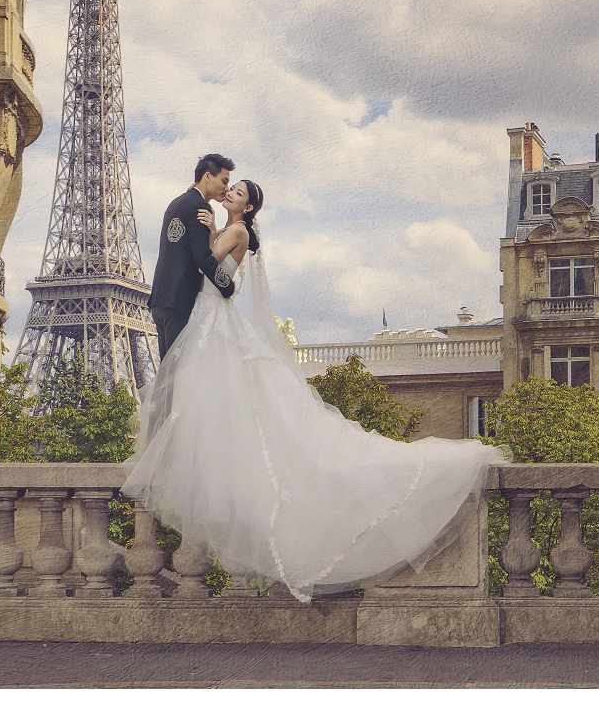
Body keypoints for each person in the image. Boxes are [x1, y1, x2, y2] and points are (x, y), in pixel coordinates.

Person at [123, 177, 503, 602]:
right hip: (213, 319)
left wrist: (203, 230)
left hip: (212, 319)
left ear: (247, 208)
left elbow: (204, 264)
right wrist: (207, 228)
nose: (230, 193)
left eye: (238, 193)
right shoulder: (236, 230)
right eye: (231, 189)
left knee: (215, 397)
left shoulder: (236, 230)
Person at [146, 153, 237, 360]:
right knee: (178, 375)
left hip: (160, 298)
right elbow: (202, 259)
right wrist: (228, 286)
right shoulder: (199, 207)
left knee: (168, 375)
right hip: (180, 299)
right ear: (207, 176)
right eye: (224, 181)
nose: (226, 188)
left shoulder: (177, 202)